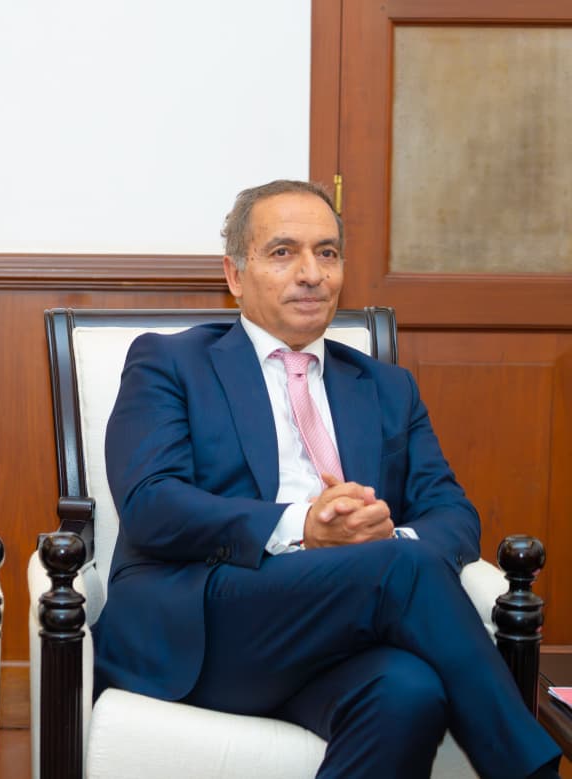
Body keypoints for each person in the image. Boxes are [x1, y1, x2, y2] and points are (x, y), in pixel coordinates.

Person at [94, 180, 561, 778]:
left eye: (328, 253)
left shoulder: (388, 388)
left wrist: (383, 540)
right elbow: (150, 505)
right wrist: (304, 527)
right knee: (399, 569)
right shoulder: (170, 363)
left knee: (408, 691)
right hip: (206, 625)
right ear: (236, 274)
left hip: (335, 630)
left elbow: (452, 514)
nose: (311, 273)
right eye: (283, 252)